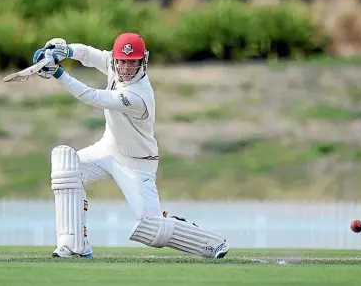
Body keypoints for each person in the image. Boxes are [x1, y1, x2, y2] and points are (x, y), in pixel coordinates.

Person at [32, 32, 229, 259]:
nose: (126, 68)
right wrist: (65, 51)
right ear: (116, 59)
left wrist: (58, 73)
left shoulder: (138, 95)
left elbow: (93, 97)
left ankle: (208, 241)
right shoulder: (113, 64)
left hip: (137, 164)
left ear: (142, 61)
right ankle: (74, 246)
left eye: (132, 62)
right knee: (67, 168)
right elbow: (87, 54)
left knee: (151, 227)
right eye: (122, 61)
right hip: (108, 148)